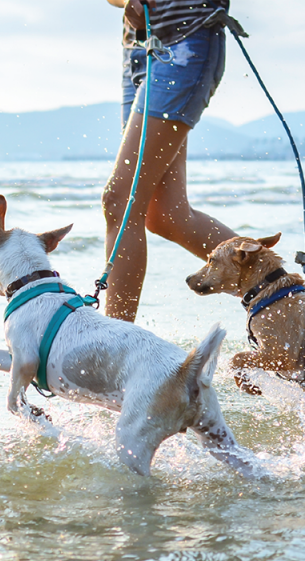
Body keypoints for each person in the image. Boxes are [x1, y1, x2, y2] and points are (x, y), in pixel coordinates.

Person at [103, 0, 237, 321]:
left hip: (187, 39)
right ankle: (290, 297)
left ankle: (112, 347)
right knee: (167, 215)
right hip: (139, 50)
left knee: (119, 200)